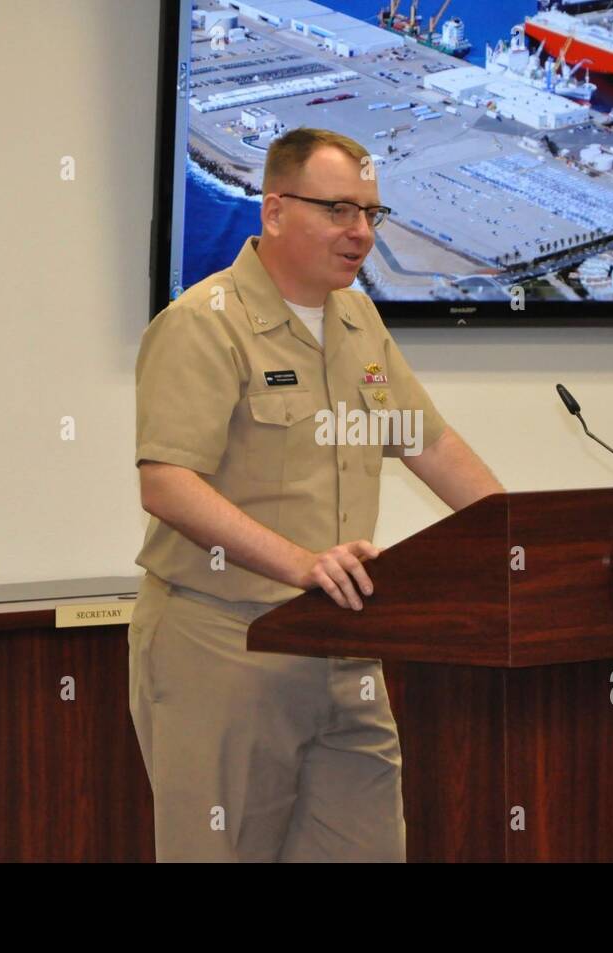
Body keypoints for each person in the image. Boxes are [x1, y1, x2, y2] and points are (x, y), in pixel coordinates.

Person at [128, 127, 504, 862]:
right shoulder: (202, 324)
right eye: (338, 209)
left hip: (347, 646)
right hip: (225, 645)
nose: (360, 232)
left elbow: (429, 443)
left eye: (371, 213)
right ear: (273, 212)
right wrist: (301, 563)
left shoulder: (359, 319)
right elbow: (167, 483)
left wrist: (523, 536)